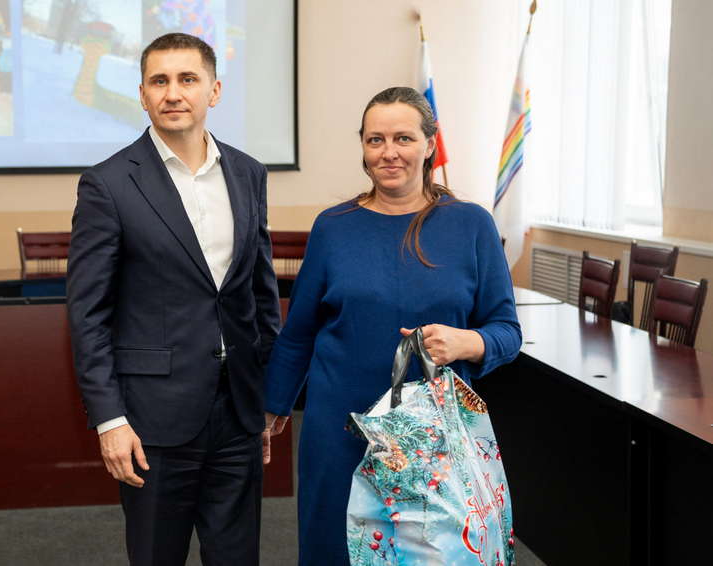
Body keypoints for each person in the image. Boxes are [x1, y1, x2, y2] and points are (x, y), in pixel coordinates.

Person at [264, 86, 522, 565]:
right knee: (335, 551)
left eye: (403, 138)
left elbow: (507, 331)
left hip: (435, 438)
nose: (389, 152)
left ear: (429, 144)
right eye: (375, 140)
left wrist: (467, 341)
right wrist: (272, 407)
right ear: (363, 147)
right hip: (341, 430)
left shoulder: (472, 225)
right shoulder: (333, 227)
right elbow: (299, 332)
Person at [67, 32, 281, 566]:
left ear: (215, 90)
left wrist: (266, 396)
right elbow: (88, 315)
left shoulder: (248, 173)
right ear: (142, 95)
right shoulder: (108, 184)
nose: (173, 93)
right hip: (151, 421)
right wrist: (109, 420)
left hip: (237, 413)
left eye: (188, 79)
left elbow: (260, 293)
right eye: (159, 81)